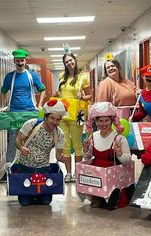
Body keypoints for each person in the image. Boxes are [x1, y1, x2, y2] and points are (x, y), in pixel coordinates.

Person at [0, 49, 46, 183]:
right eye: (18, 61)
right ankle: (8, 170)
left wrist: (41, 105)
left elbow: (42, 89)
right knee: (13, 142)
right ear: (14, 61)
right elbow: (3, 91)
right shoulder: (9, 76)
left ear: (25, 61)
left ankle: (30, 168)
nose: (20, 63)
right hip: (14, 114)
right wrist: (3, 106)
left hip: (30, 112)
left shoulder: (32, 75)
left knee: (31, 141)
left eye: (22, 60)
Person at [83, 102, 134, 209]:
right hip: (97, 178)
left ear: (112, 121)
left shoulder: (119, 138)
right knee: (96, 205)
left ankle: (114, 196)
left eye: (106, 120)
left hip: (115, 178)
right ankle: (100, 197)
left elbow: (127, 161)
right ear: (96, 122)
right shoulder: (93, 136)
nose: (104, 124)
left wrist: (119, 153)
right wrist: (86, 149)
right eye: (100, 121)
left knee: (110, 202)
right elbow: (87, 158)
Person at [15, 99, 66, 205]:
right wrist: (21, 147)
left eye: (58, 119)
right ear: (45, 117)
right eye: (52, 118)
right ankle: (29, 195)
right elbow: (18, 140)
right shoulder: (31, 124)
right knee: (24, 202)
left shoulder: (59, 134)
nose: (55, 122)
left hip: (43, 169)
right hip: (25, 167)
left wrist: (61, 158)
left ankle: (36, 194)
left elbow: (58, 156)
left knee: (46, 201)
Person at [53, 52, 92, 182]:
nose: (69, 63)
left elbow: (89, 96)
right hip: (63, 113)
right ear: (64, 64)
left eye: (71, 60)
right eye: (66, 62)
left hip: (77, 114)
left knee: (77, 144)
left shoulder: (83, 77)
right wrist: (56, 94)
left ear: (75, 60)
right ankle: (68, 173)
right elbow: (60, 93)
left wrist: (82, 96)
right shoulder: (61, 76)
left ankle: (78, 172)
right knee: (65, 144)